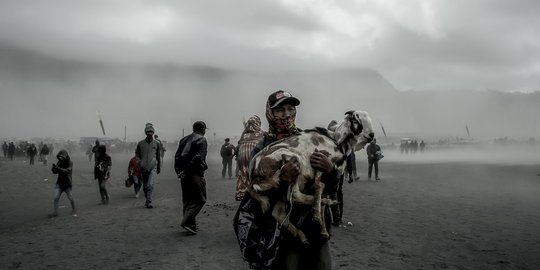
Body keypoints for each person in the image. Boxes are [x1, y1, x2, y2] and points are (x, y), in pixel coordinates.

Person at [234, 90, 339, 270]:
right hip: (284, 233)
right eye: (280, 110)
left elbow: (329, 189)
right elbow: (258, 199)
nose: (287, 115)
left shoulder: (307, 140)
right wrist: (281, 181)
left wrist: (331, 170)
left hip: (315, 229)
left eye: (291, 109)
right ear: (270, 113)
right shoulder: (263, 150)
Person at [174, 121, 208, 235]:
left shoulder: (184, 139)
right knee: (200, 199)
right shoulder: (202, 139)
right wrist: (186, 170)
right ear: (203, 129)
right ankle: (186, 221)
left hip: (183, 174)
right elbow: (199, 158)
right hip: (195, 173)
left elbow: (177, 156)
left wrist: (179, 171)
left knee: (188, 199)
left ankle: (191, 225)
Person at [234, 115, 264, 201]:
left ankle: (242, 192)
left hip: (242, 155)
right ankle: (255, 192)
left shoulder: (244, 133)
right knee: (255, 173)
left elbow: (239, 143)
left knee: (244, 172)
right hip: (254, 154)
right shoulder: (261, 133)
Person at [135, 123, 161, 209]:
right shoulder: (140, 143)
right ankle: (147, 199)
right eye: (148, 132)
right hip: (143, 167)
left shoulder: (157, 144)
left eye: (151, 132)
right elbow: (137, 154)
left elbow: (158, 156)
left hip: (153, 166)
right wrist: (139, 161)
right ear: (145, 133)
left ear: (153, 133)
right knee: (145, 186)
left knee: (150, 185)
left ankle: (149, 202)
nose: (149, 133)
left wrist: (159, 167)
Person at [49, 149, 76, 217]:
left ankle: (74, 209)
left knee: (70, 197)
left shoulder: (70, 162)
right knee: (56, 197)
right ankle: (55, 212)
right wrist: (54, 169)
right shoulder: (59, 162)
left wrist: (58, 168)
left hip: (67, 184)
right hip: (59, 183)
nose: (61, 158)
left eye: (62, 157)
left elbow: (67, 171)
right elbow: (55, 172)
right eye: (60, 157)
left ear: (65, 156)